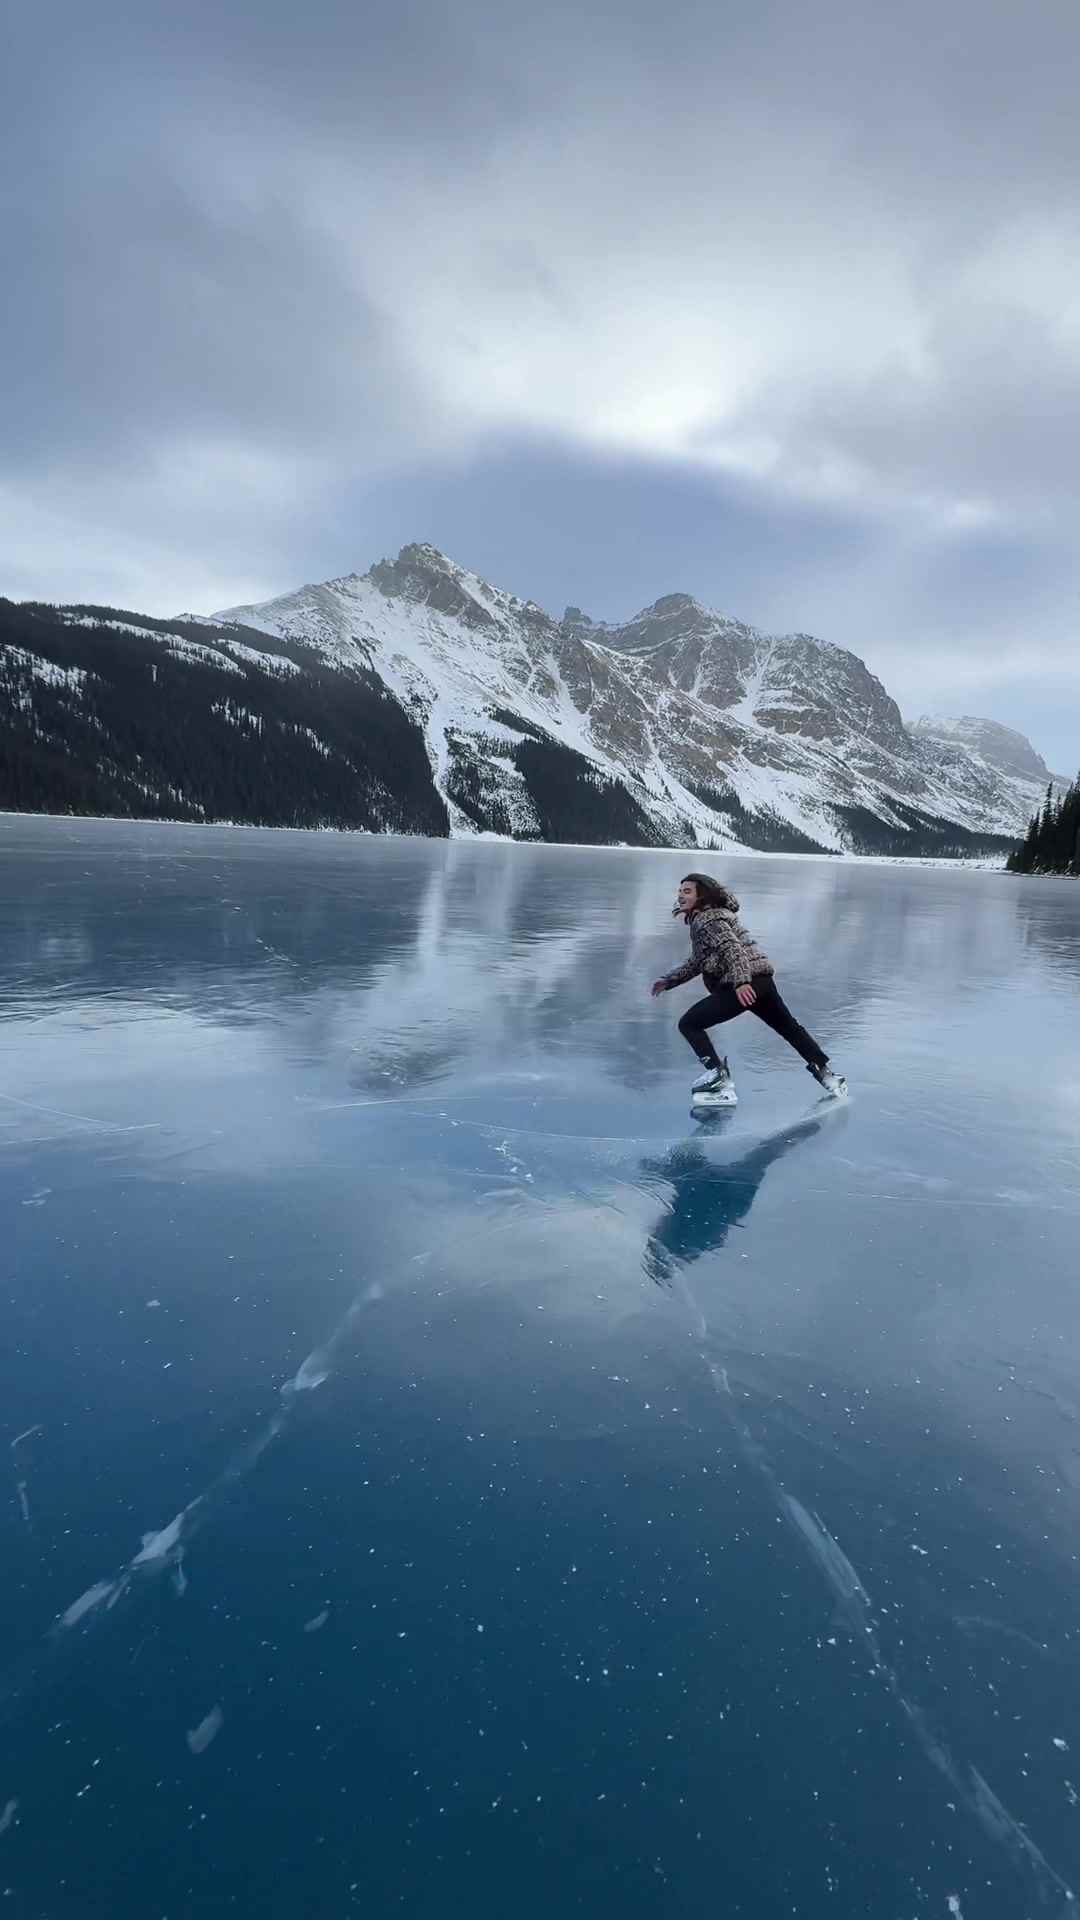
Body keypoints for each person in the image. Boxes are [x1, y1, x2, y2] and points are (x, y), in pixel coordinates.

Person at [650, 872, 846, 1104]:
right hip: (761, 980)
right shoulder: (711, 916)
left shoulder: (707, 920)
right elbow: (699, 961)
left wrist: (742, 982)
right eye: (680, 891)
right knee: (788, 1027)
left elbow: (733, 949)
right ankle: (827, 1074)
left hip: (743, 983)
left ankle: (718, 1078)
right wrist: (670, 980)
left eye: (687, 891)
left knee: (689, 1023)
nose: (680, 895)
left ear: (701, 895)